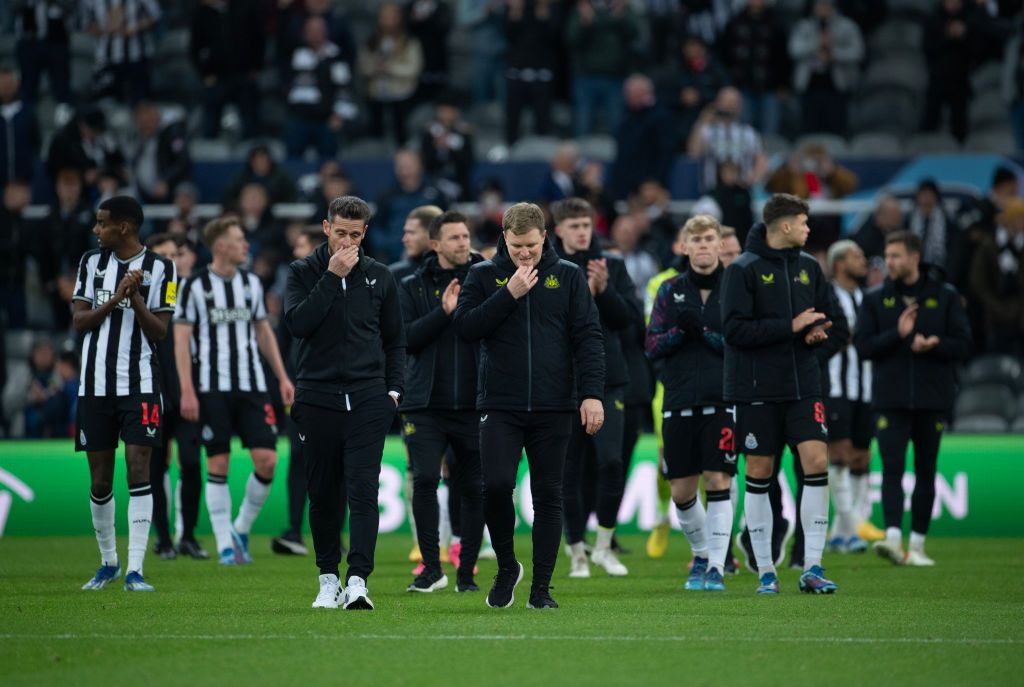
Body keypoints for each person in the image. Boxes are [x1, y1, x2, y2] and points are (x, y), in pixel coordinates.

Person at [453, 202, 605, 609]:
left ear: (545, 238)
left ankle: (541, 590)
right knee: (497, 486)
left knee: (549, 495)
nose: (525, 253)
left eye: (532, 246)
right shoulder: (483, 275)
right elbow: (466, 328)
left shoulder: (569, 277)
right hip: (500, 403)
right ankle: (507, 567)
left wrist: (591, 394)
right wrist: (509, 295)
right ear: (505, 238)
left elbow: (588, 338)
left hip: (555, 405)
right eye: (517, 245)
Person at [285, 196, 406, 610]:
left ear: (365, 233)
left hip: (370, 397)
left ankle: (357, 581)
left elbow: (395, 340)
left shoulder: (380, 276)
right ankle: (327, 579)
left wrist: (393, 392)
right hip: (317, 396)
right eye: (341, 233)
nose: (348, 242)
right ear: (326, 228)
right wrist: (332, 278)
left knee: (362, 491)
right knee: (322, 493)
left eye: (356, 235)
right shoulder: (303, 272)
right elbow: (298, 324)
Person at [721, 193, 839, 594]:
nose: (809, 229)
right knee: (759, 471)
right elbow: (734, 332)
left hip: (805, 384)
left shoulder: (809, 267)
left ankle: (813, 565)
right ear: (785, 226)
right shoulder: (743, 270)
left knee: (816, 459)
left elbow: (827, 313)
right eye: (804, 223)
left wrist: (819, 332)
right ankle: (767, 570)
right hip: (757, 389)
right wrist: (790, 327)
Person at [174, 216, 295, 566]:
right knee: (219, 462)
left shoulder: (251, 283)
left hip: (253, 385)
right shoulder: (194, 286)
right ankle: (226, 544)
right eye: (240, 240)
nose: (246, 245)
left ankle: (240, 528)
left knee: (268, 461)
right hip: (211, 387)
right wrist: (187, 390)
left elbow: (263, 332)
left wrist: (283, 377)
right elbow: (181, 341)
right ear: (221, 246)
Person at [73, 195, 177, 592]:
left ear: (125, 228)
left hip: (141, 386)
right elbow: (80, 321)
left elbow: (161, 332)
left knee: (139, 468)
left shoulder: (161, 269)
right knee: (100, 480)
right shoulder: (90, 263)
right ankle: (108, 562)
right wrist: (117, 297)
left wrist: (134, 298)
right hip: (95, 385)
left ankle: (135, 569)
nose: (96, 230)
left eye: (102, 223)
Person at [855, 231, 972, 566]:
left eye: (895, 256)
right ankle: (893, 538)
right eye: (887, 256)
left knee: (926, 470)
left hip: (933, 399)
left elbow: (964, 345)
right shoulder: (876, 299)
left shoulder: (944, 296)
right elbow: (863, 347)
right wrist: (899, 335)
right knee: (891, 469)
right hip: (890, 400)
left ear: (914, 257)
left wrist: (935, 345)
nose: (889, 262)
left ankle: (917, 545)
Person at [646, 214, 736, 591]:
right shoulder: (669, 291)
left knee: (718, 480)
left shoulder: (734, 289)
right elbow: (651, 346)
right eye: (695, 239)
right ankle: (700, 554)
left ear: (719, 244)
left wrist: (705, 332)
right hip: (679, 398)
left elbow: (741, 343)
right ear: (684, 246)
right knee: (682, 491)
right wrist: (680, 332)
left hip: (722, 399)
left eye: (708, 239)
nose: (702, 245)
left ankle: (716, 565)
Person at [553, 198, 641, 578]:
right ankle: (576, 552)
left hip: (608, 380)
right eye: (573, 226)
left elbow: (631, 322)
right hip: (561, 383)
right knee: (568, 470)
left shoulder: (612, 267)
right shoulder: (551, 270)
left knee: (611, 462)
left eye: (585, 224)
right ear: (558, 231)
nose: (581, 231)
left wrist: (604, 291)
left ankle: (604, 545)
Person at [399, 210, 485, 593]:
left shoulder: (485, 279)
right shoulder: (411, 286)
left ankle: (466, 572)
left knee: (472, 487)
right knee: (426, 481)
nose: (463, 243)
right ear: (435, 245)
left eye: (466, 236)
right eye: (454, 238)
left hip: (473, 402)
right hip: (425, 403)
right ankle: (431, 569)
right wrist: (443, 314)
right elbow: (406, 340)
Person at [272, 226, 333, 557]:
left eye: (301, 246)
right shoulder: (293, 289)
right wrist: (284, 379)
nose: (296, 253)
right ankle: (295, 529)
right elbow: (283, 340)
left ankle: (334, 534)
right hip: (299, 386)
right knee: (298, 456)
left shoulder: (343, 285)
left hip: (334, 385)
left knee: (336, 462)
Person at [145, 233, 206, 559]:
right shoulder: (141, 294)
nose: (171, 260)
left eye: (175, 253)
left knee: (192, 463)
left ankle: (188, 535)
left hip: (187, 392)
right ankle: (164, 538)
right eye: (163, 255)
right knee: (156, 466)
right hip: (152, 390)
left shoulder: (193, 292)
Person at [822, 240, 872, 554]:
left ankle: (841, 533)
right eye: (857, 256)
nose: (863, 261)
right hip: (835, 387)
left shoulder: (868, 299)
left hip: (865, 387)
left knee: (861, 457)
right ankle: (854, 525)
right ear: (839, 263)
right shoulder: (827, 295)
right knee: (838, 453)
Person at [358, 3, 424, 146]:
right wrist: (375, 68)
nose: (388, 20)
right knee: (376, 133)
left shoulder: (409, 41)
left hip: (401, 93)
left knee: (401, 133)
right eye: (385, 16)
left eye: (392, 16)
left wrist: (390, 68)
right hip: (376, 93)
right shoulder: (372, 41)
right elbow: (363, 65)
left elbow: (414, 68)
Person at [688, 87, 767, 193]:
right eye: (727, 101)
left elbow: (761, 160)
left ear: (740, 106)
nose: (730, 105)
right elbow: (693, 153)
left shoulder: (748, 132)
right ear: (718, 103)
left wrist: (752, 178)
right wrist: (704, 119)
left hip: (741, 193)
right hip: (713, 193)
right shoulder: (707, 131)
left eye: (734, 102)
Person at [127, 101, 190, 204]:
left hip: (170, 191)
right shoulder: (139, 140)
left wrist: (166, 181)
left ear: (157, 118)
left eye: (148, 122)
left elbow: (182, 162)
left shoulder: (171, 134)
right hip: (143, 194)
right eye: (141, 123)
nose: (145, 126)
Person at [389, 205, 443, 282]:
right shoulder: (393, 275)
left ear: (432, 234)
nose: (404, 239)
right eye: (405, 232)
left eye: (411, 233)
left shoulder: (458, 271)